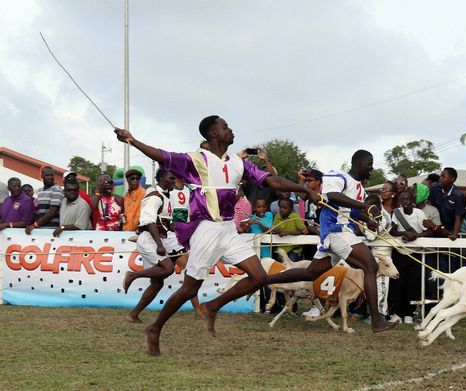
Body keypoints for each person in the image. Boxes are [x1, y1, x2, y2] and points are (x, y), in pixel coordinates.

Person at [114, 115, 319, 355]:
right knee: (190, 289)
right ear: (212, 134)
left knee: (259, 277)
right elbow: (161, 155)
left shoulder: (237, 162)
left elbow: (271, 180)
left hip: (228, 230)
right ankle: (155, 328)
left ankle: (213, 306)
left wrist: (303, 188)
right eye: (225, 127)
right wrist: (132, 140)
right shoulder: (196, 160)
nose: (231, 130)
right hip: (207, 230)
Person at [266, 149, 398, 333]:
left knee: (310, 274)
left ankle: (263, 279)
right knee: (370, 266)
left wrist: (366, 219)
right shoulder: (337, 176)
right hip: (336, 232)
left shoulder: (358, 187)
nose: (371, 168)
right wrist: (365, 207)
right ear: (359, 163)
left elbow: (349, 210)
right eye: (369, 164)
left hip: (341, 233)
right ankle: (377, 321)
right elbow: (333, 196)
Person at [122, 168, 187, 323]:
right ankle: (132, 275)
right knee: (168, 269)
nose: (173, 181)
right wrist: (159, 245)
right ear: (161, 179)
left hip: (158, 239)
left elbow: (165, 223)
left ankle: (133, 315)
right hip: (149, 241)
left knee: (157, 283)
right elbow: (149, 221)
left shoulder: (166, 196)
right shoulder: (155, 197)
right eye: (171, 178)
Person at [388, 190, 433, 324]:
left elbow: (429, 231)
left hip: (416, 253)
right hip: (400, 252)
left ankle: (409, 314)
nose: (405, 202)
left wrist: (415, 236)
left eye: (407, 199)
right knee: (397, 284)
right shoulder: (396, 213)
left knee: (413, 284)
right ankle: (396, 313)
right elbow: (392, 231)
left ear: (412, 200)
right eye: (402, 199)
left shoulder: (419, 213)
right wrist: (404, 233)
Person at [428, 168, 465, 239]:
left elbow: (458, 217)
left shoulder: (457, 195)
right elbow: (430, 208)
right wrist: (439, 227)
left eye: (443, 177)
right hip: (435, 226)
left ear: (452, 179)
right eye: (440, 176)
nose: (440, 179)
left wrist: (454, 234)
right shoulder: (434, 188)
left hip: (449, 229)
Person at [25, 166, 62, 234]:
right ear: (42, 176)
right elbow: (39, 211)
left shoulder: (57, 189)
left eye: (51, 175)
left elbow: (52, 212)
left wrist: (35, 225)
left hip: (52, 229)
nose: (50, 177)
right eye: (47, 175)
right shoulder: (40, 190)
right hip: (41, 228)